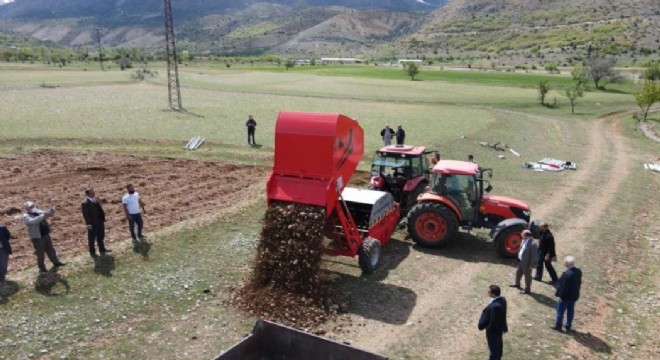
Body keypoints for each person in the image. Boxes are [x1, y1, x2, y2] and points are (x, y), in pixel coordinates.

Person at [22, 201, 65, 273]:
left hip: (45, 235)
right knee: (40, 253)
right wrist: (43, 215)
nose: (33, 207)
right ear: (27, 208)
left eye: (33, 206)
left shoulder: (37, 212)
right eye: (31, 207)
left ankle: (56, 262)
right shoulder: (26, 216)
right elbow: (33, 221)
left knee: (51, 250)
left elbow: (47, 215)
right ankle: (42, 268)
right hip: (37, 237)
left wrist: (51, 212)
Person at [478, 285, 508, 360]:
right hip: (499, 329)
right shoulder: (502, 299)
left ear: (493, 294)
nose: (487, 292)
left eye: (489, 291)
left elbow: (494, 321)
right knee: (498, 346)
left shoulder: (496, 307)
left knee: (494, 348)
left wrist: (488, 329)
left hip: (494, 331)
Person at [554, 255, 582, 332]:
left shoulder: (567, 274)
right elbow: (579, 283)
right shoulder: (578, 271)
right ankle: (568, 326)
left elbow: (564, 287)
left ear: (566, 263)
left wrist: (560, 296)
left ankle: (558, 326)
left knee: (560, 311)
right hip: (574, 296)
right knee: (570, 311)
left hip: (565, 297)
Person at [81, 187, 110, 258]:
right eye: (92, 193)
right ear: (87, 194)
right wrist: (88, 224)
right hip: (92, 223)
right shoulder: (85, 202)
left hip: (100, 221)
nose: (93, 193)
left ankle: (102, 249)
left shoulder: (96, 199)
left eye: (93, 192)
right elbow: (86, 214)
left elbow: (99, 209)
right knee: (92, 238)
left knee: (101, 236)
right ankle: (92, 252)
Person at [510, 229, 537, 294]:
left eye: (522, 234)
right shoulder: (524, 240)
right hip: (520, 261)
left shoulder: (533, 244)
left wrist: (531, 266)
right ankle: (517, 284)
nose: (521, 235)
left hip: (527, 264)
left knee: (527, 276)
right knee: (518, 273)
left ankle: (527, 289)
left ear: (526, 235)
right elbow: (521, 248)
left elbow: (534, 256)